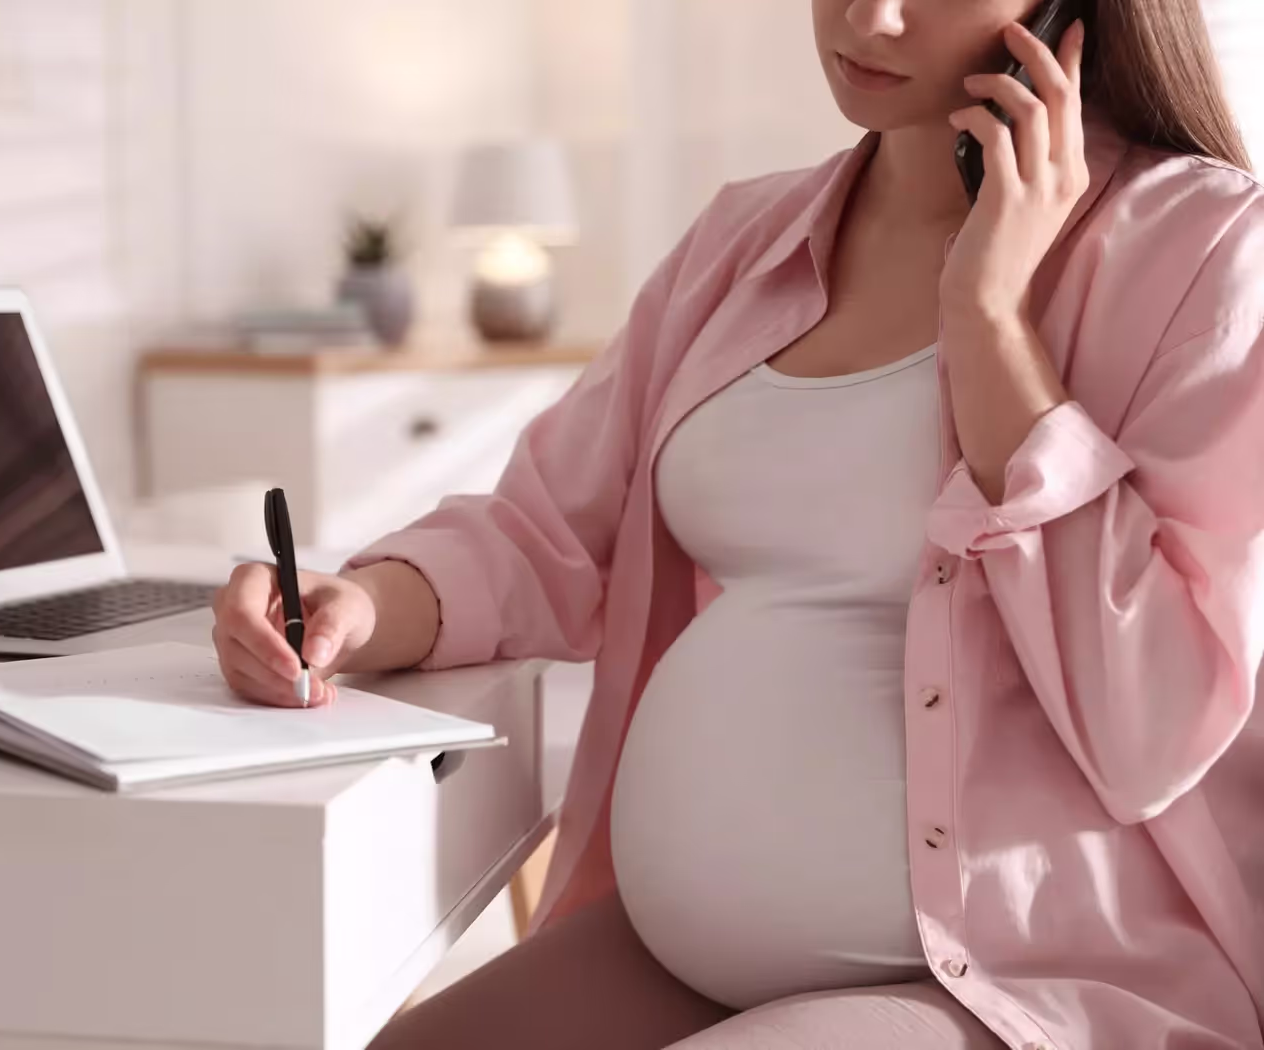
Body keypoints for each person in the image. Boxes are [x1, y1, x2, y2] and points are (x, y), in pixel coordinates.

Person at [212, 0, 1264, 1046]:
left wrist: (987, 319)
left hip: (1002, 987)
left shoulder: (1202, 246)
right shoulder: (738, 241)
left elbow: (1152, 724)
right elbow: (545, 530)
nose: (868, 15)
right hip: (672, 957)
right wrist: (359, 603)